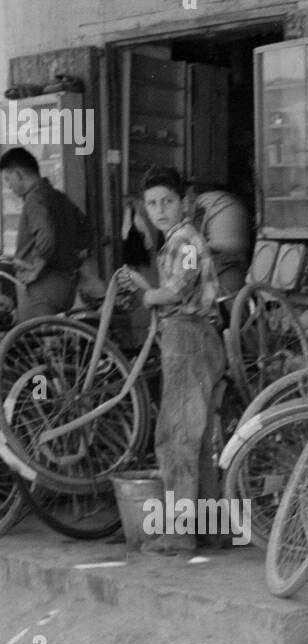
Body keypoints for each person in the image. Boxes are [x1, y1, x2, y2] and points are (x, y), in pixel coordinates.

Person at [115, 167, 225, 556]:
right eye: (151, 203)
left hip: (189, 337)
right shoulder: (176, 240)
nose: (159, 209)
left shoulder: (187, 239)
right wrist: (150, 290)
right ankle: (212, 530)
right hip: (193, 337)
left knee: (176, 437)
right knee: (198, 440)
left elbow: (178, 290)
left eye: (167, 201)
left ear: (183, 203)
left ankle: (178, 534)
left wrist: (147, 297)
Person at [0, 146, 91, 321]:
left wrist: (35, 270)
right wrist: (72, 258)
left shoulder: (34, 198)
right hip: (65, 286)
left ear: (19, 174)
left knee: (30, 341)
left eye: (8, 179)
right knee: (52, 342)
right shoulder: (58, 197)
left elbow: (46, 236)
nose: (8, 186)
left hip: (41, 288)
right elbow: (86, 230)